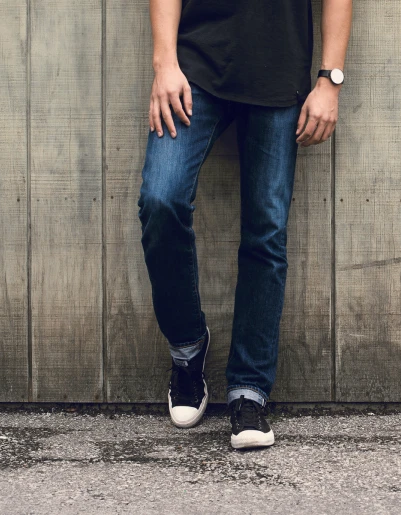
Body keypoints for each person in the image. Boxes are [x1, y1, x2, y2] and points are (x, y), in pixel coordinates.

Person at [136, 0, 352, 450]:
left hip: (279, 75)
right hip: (195, 67)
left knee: (266, 233)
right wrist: (164, 63)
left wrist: (330, 80)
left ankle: (249, 390)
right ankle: (187, 349)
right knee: (162, 200)